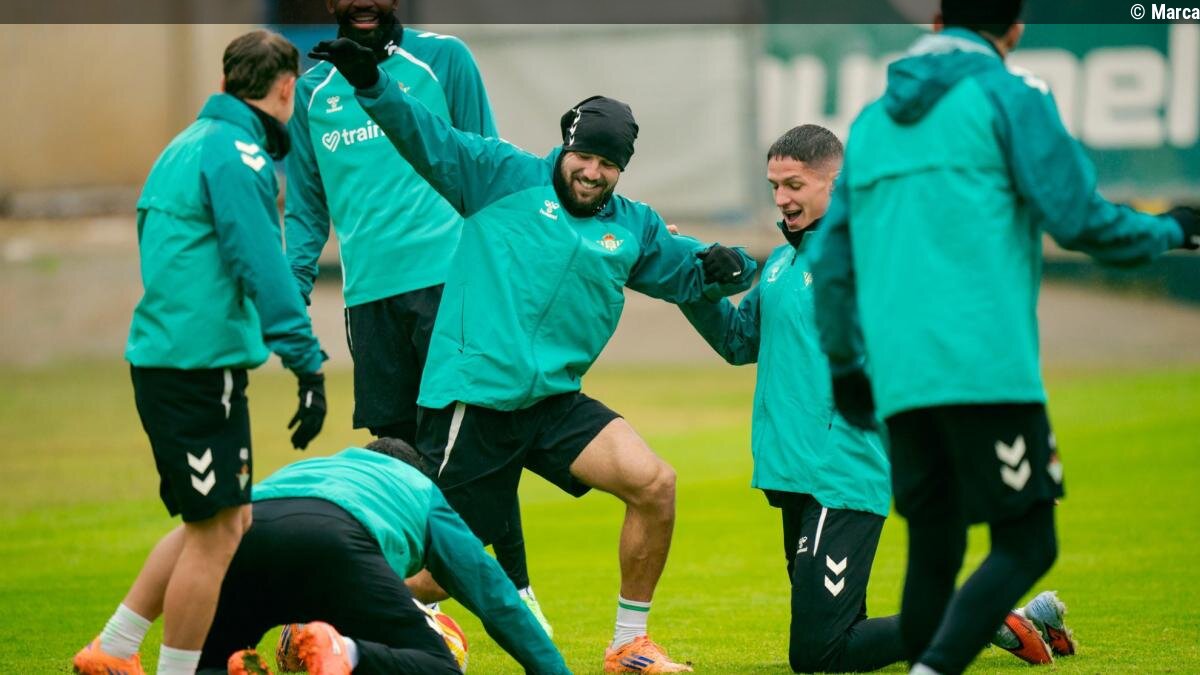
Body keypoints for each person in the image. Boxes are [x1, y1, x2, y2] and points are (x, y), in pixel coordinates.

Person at [306, 37, 757, 673]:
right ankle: (317, 623)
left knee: (654, 484)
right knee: (443, 570)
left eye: (609, 163)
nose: (593, 172)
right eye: (584, 155)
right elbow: (426, 136)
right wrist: (372, 86)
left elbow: (697, 270)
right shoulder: (500, 176)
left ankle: (629, 646)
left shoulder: (633, 225)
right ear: (565, 147)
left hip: (552, 402)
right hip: (476, 402)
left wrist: (731, 266)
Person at [811, 2, 1200, 674]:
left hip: (901, 380)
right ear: (1014, 27)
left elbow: (832, 258)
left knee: (934, 551)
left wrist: (846, 365)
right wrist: (1174, 228)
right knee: (1027, 541)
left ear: (938, 24)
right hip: (985, 369)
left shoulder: (871, 123)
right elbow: (1080, 221)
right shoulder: (1011, 96)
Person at [678, 124, 1076, 672]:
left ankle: (982, 616)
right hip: (790, 473)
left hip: (842, 473)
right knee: (840, 634)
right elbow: (738, 342)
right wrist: (693, 285)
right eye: (774, 186)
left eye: (794, 185)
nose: (781, 199)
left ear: (836, 184)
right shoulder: (780, 265)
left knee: (818, 653)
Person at [284, 0, 550, 632]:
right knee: (399, 457)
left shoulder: (443, 59)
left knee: (474, 441)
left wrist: (514, 268)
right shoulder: (310, 92)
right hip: (369, 302)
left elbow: (487, 163)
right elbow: (305, 209)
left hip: (451, 285)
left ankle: (517, 589)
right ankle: (417, 605)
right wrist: (290, 298)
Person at [72, 30, 329, 675]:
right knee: (216, 535)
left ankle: (114, 649)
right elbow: (261, 264)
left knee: (220, 522)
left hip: (173, 361)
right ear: (287, 89)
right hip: (195, 370)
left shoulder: (185, 145)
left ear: (225, 83)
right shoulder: (236, 154)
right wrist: (305, 362)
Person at [195, 438, 569, 675]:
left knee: (212, 661)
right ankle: (345, 651)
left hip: (244, 532)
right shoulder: (420, 488)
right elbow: (495, 595)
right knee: (439, 666)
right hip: (335, 538)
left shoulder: (314, 467)